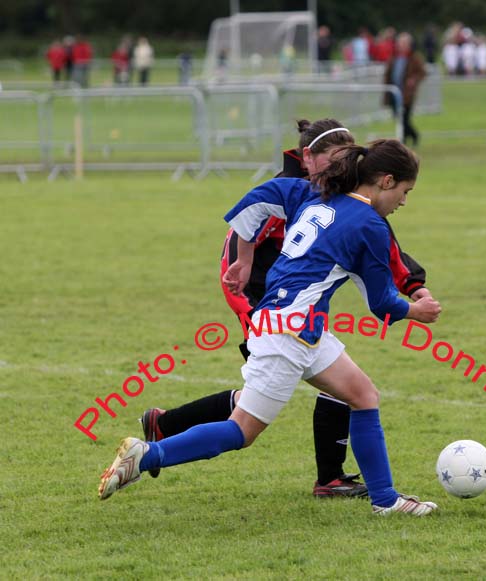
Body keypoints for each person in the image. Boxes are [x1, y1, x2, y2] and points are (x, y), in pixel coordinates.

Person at [98, 139, 443, 518]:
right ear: (386, 180)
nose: (404, 202)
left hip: (298, 325)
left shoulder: (317, 196)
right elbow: (381, 304)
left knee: (363, 394)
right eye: (405, 191)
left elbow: (259, 197)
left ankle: (385, 500)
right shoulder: (371, 224)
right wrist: (417, 310)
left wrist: (243, 257)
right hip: (288, 333)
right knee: (240, 431)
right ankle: (147, 455)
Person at [383, 33, 427, 146]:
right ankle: (406, 139)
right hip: (393, 93)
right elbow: (388, 74)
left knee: (404, 119)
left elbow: (422, 73)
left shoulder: (414, 58)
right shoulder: (394, 57)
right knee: (397, 117)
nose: (400, 45)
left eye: (403, 43)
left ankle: (411, 137)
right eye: (399, 43)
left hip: (407, 94)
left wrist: (413, 79)